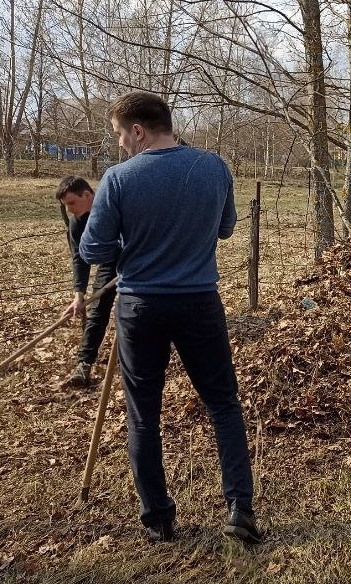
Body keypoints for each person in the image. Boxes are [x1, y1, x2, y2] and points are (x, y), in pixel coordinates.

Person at [79, 91, 260, 544]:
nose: (120, 143)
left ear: (138, 130)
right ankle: (240, 508)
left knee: (143, 413)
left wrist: (133, 245)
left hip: (141, 307)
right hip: (199, 301)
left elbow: (94, 248)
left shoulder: (118, 179)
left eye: (120, 134)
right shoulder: (213, 167)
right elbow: (225, 228)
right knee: (223, 403)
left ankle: (158, 518)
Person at [56, 176, 117, 387]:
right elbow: (79, 258)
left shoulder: (112, 205)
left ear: (87, 195)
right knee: (98, 310)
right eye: (65, 205)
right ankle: (84, 364)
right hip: (109, 263)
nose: (69, 209)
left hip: (137, 260)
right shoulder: (77, 223)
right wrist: (78, 295)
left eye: (72, 203)